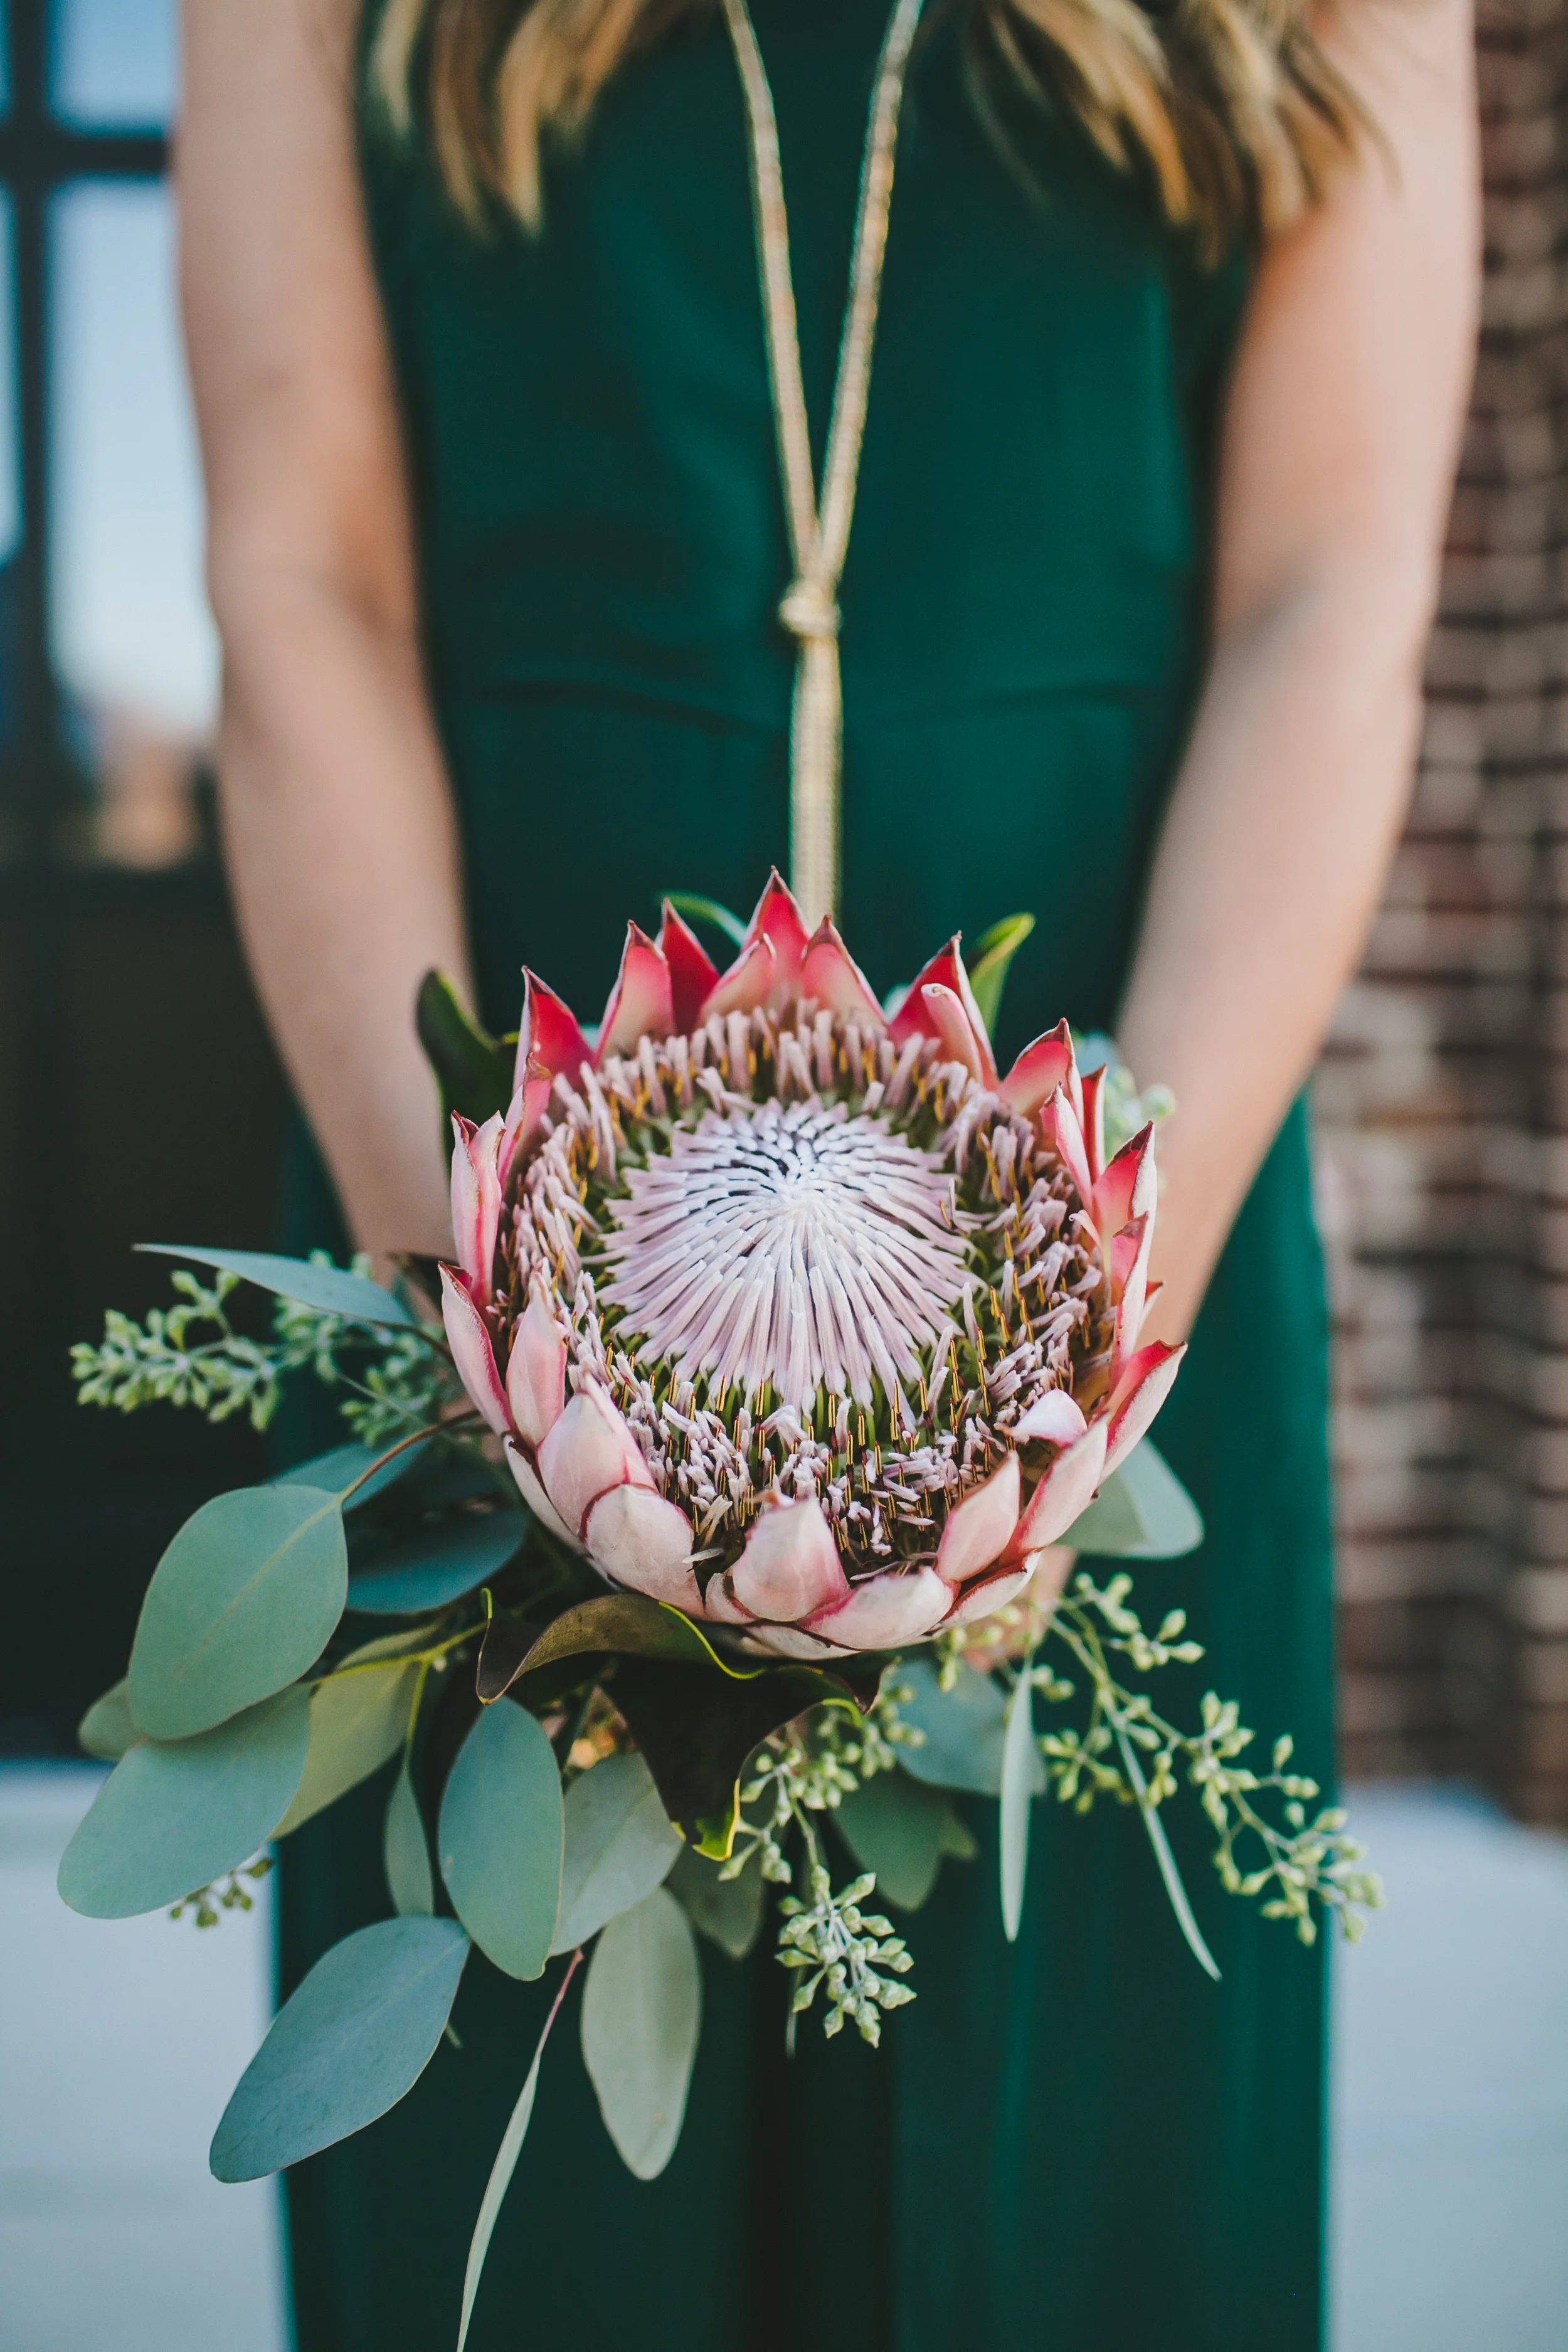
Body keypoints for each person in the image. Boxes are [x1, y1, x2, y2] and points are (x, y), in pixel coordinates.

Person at [180, 1, 1477, 2345]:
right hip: (469, 1197)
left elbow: (1330, 588)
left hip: (1126, 1198)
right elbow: (301, 581)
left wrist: (1076, 1346)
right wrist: (491, 1331)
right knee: (536, 2213)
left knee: (1079, 2199)